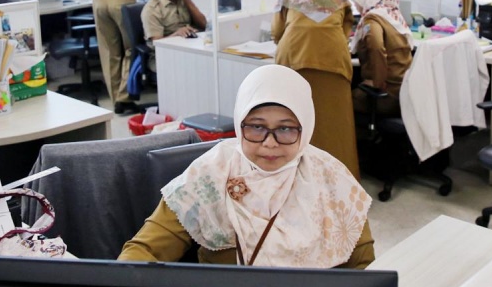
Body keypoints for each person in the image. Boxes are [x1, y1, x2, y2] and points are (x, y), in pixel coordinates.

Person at [119, 64, 375, 268]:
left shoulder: (330, 177)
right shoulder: (210, 172)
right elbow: (145, 249)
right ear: (240, 124)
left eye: (285, 129)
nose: (270, 143)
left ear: (305, 128)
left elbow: (366, 267)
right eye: (256, 127)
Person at [272, 0, 361, 179]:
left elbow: (276, 32)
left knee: (294, 121)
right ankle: (342, 179)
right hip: (333, 62)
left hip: (294, 60)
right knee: (336, 124)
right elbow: (346, 32)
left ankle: (295, 178)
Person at [349, 0, 413, 117]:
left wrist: (377, 82)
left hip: (385, 96)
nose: (355, 3)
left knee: (335, 102)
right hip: (404, 92)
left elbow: (376, 47)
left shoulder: (372, 20)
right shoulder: (392, 15)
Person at [141, 0, 208, 70]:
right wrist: (176, 34)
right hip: (164, 56)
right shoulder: (152, 9)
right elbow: (156, 43)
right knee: (193, 68)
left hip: (188, 49)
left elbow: (204, 25)